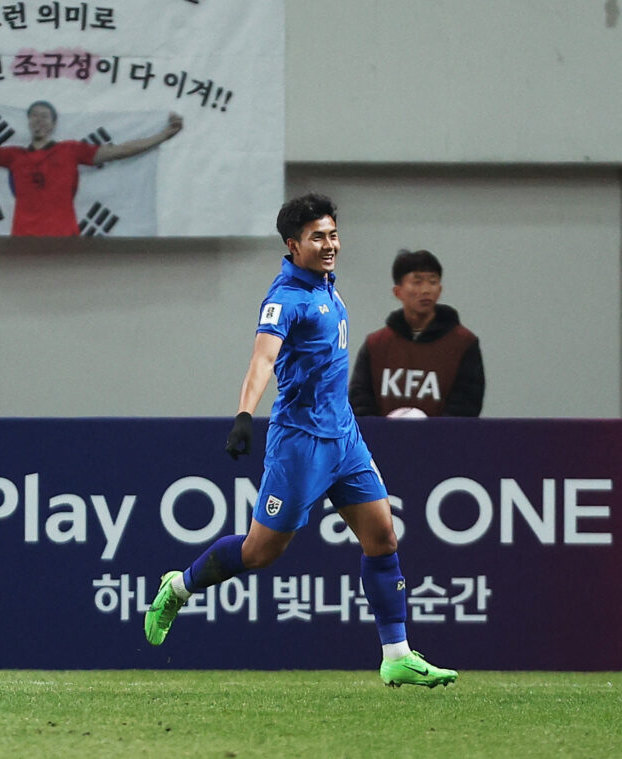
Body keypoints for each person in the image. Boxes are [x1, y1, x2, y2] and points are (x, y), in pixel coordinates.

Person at [143, 194, 458, 688]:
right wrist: (245, 414)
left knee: (382, 537)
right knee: (261, 552)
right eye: (318, 237)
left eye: (333, 234)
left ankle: (396, 654)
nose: (330, 244)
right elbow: (262, 360)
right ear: (293, 245)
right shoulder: (285, 298)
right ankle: (178, 588)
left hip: (345, 437)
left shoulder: (327, 288)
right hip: (300, 443)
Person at [0, 91, 183, 236]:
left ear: (54, 124)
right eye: (33, 116)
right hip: (23, 242)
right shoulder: (14, 156)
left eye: (44, 116)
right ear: (28, 123)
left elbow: (120, 151)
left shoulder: (71, 151)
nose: (38, 121)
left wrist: (164, 135)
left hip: (66, 240)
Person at [349, 249, 484, 417]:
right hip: (382, 441)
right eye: (417, 282)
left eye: (433, 282)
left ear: (440, 290)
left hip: (442, 442)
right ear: (398, 292)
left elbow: (465, 405)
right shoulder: (376, 345)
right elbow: (360, 401)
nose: (426, 290)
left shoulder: (463, 343)